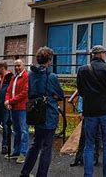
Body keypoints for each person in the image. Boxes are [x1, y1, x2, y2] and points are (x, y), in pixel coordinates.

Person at [77, 45, 106, 177]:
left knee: (89, 145)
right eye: (105, 53)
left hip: (90, 111)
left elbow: (80, 91)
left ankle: (88, 174)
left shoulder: (82, 70)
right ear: (101, 54)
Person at [20, 47, 64, 177]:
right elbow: (60, 95)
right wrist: (53, 97)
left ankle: (25, 172)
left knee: (35, 145)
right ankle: (41, 174)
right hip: (49, 114)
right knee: (46, 148)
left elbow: (30, 92)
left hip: (35, 113)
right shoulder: (51, 76)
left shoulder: (31, 74)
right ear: (49, 60)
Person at [4, 59, 29, 164]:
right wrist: (7, 101)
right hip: (14, 107)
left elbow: (25, 93)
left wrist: (10, 101)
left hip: (22, 107)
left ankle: (23, 153)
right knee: (16, 130)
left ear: (23, 65)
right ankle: (17, 151)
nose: (17, 68)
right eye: (15, 66)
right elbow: (9, 90)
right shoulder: (14, 77)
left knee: (23, 130)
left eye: (19, 66)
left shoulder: (26, 76)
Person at [69, 90, 101, 167]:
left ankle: (94, 158)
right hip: (88, 111)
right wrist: (80, 110)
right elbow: (81, 94)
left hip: (96, 110)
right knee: (84, 136)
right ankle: (79, 158)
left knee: (95, 136)